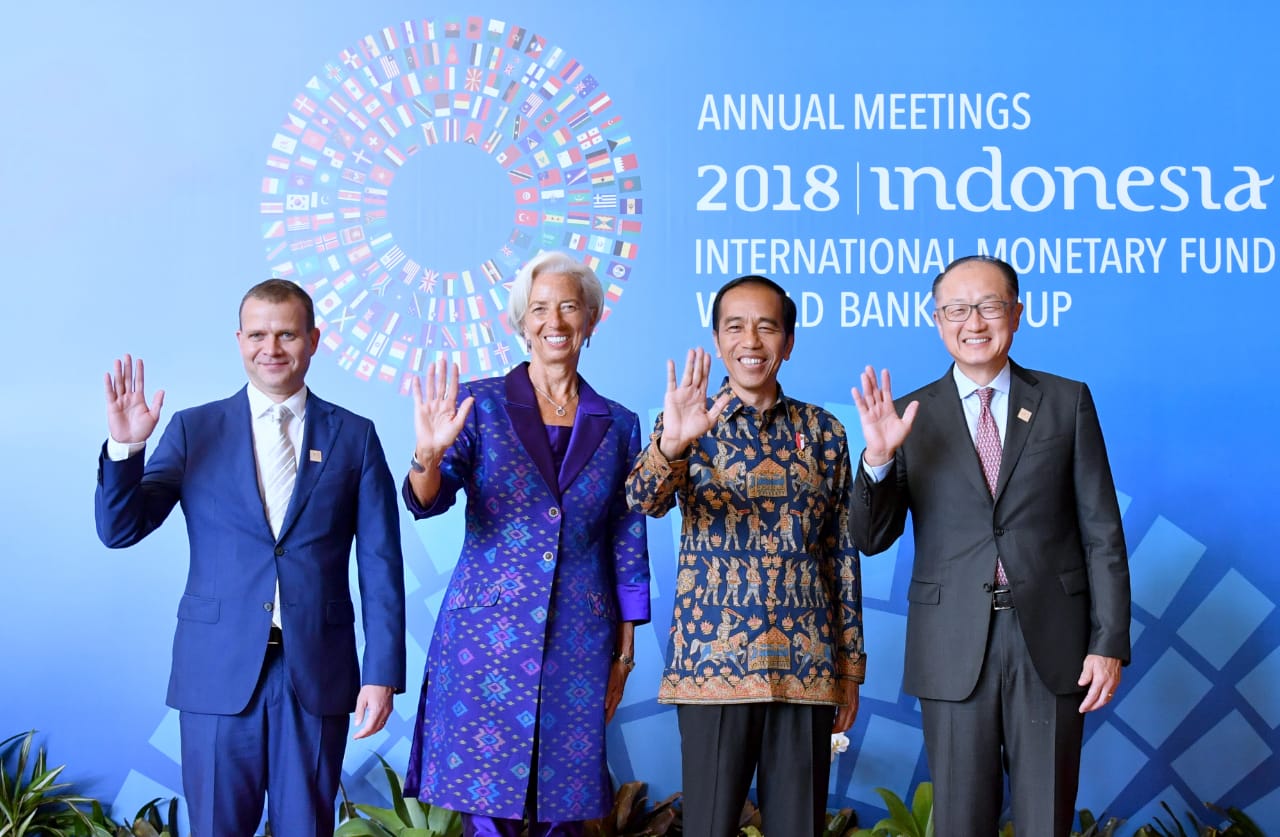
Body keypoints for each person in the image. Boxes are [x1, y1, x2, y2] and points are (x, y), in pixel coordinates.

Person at [95, 279, 406, 836]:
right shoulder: (195, 429)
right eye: (258, 334)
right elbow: (121, 529)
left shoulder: (355, 437)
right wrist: (126, 449)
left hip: (317, 670)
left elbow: (381, 563)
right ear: (239, 339)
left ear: (313, 340)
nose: (272, 348)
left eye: (287, 334)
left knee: (306, 828)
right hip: (216, 669)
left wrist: (381, 672)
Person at [848, 255, 1130, 836]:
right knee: (959, 821)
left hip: (1051, 642)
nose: (973, 322)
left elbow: (1102, 531)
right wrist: (877, 459)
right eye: (956, 309)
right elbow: (870, 539)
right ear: (936, 319)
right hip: (952, 643)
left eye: (989, 306)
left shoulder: (1065, 400)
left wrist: (1109, 642)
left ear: (1017, 314)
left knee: (1045, 818)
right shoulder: (907, 416)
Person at [401, 252, 651, 837]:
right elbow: (427, 499)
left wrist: (625, 648)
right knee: (487, 805)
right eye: (540, 309)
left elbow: (628, 535)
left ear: (591, 320)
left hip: (580, 639)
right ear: (521, 323)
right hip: (485, 638)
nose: (554, 321)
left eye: (569, 307)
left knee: (563, 803)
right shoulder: (478, 405)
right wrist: (427, 457)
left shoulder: (618, 423)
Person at [625, 275, 864, 837]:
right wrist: (672, 444)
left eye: (767, 326)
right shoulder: (686, 421)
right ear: (716, 338)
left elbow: (841, 552)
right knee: (708, 827)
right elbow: (642, 500)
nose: (751, 340)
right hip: (712, 665)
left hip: (806, 668)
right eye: (735, 326)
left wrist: (849, 667)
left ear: (788, 341)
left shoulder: (824, 432)